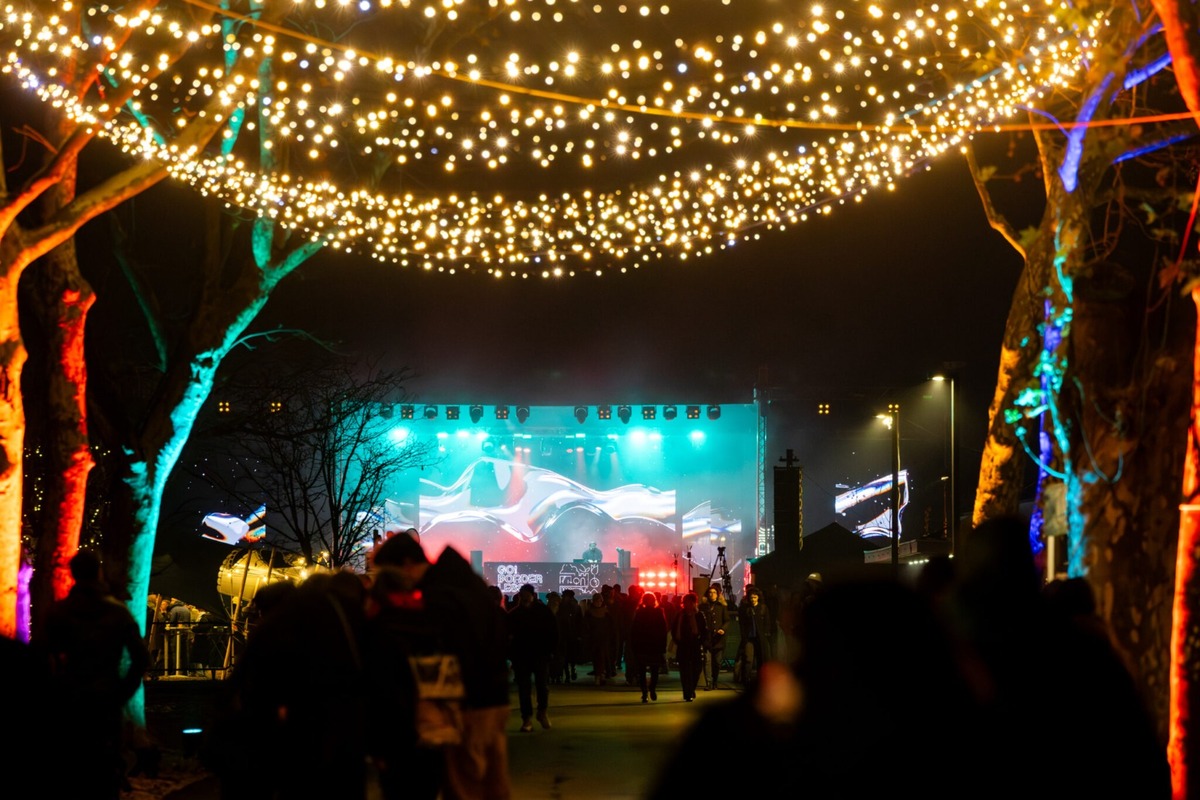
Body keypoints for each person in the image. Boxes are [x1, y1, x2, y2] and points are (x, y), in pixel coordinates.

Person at [373, 532, 513, 800]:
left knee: (465, 787)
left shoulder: (441, 597)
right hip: (491, 698)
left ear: (406, 564)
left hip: (468, 706)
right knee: (490, 784)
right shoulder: (466, 587)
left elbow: (448, 654)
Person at [38, 550, 149, 800]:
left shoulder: (59, 613)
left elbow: (43, 655)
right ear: (98, 573)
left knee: (71, 767)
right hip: (106, 697)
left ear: (74, 574)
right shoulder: (118, 612)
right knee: (105, 767)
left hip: (68, 698)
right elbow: (140, 658)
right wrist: (122, 692)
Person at [507, 584, 558, 732]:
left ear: (531, 595)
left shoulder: (542, 613)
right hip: (523, 657)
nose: (524, 598)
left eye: (526, 594)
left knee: (541, 686)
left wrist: (550, 651)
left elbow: (554, 633)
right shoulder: (516, 615)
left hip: (539, 655)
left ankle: (540, 712)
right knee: (525, 688)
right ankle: (528, 717)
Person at [628, 592, 668, 703]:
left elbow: (634, 631)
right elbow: (663, 630)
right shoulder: (659, 612)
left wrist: (634, 646)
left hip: (642, 645)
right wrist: (662, 646)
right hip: (654, 646)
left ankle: (644, 692)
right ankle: (652, 689)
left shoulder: (639, 613)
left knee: (642, 671)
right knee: (654, 670)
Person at [671, 591, 707, 701]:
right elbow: (674, 630)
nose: (688, 605)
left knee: (697, 669)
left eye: (691, 602)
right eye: (686, 602)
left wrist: (702, 642)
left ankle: (691, 689)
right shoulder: (680, 615)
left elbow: (704, 630)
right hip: (683, 646)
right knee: (685, 671)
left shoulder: (699, 615)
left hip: (695, 645)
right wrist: (678, 641)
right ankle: (687, 693)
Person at [736, 585, 772, 685]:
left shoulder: (763, 608)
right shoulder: (745, 609)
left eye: (755, 597)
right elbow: (742, 624)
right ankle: (746, 679)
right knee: (748, 658)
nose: (753, 599)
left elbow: (767, 622)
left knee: (761, 659)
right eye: (751, 597)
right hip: (749, 638)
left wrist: (765, 633)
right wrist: (744, 636)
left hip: (760, 637)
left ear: (758, 597)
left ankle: (761, 680)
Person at [699, 584, 731, 689]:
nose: (712, 594)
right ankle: (709, 682)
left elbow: (727, 620)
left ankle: (715, 681)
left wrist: (723, 629)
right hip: (706, 638)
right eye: (710, 592)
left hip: (718, 639)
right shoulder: (703, 607)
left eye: (714, 593)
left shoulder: (722, 606)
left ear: (718, 595)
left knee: (717, 662)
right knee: (707, 661)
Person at [583, 593, 616, 685]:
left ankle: (599, 675)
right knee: (599, 657)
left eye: (600, 600)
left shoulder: (600, 612)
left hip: (602, 638)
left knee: (600, 657)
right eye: (597, 600)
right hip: (596, 638)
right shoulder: (602, 612)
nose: (598, 602)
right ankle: (600, 675)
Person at [556, 589, 584, 682]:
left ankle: (567, 673)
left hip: (564, 633)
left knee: (564, 654)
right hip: (572, 633)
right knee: (571, 654)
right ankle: (571, 670)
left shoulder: (561, 606)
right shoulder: (576, 605)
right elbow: (580, 621)